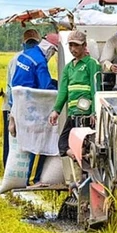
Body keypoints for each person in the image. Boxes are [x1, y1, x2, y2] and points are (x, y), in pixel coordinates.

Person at [8, 29, 58, 188]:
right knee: (41, 142)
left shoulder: (24, 56)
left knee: (27, 143)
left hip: (19, 107)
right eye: (53, 53)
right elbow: (46, 87)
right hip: (32, 109)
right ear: (50, 49)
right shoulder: (40, 62)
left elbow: (14, 85)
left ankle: (24, 179)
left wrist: (12, 116)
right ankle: (34, 180)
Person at [48, 30, 101, 163]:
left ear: (84, 45)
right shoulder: (68, 68)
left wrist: (95, 111)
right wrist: (56, 110)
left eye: (76, 45)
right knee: (63, 144)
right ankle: (78, 157)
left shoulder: (91, 64)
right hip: (73, 113)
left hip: (86, 113)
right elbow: (63, 91)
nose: (73, 49)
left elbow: (96, 88)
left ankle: (82, 173)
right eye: (70, 45)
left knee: (85, 143)